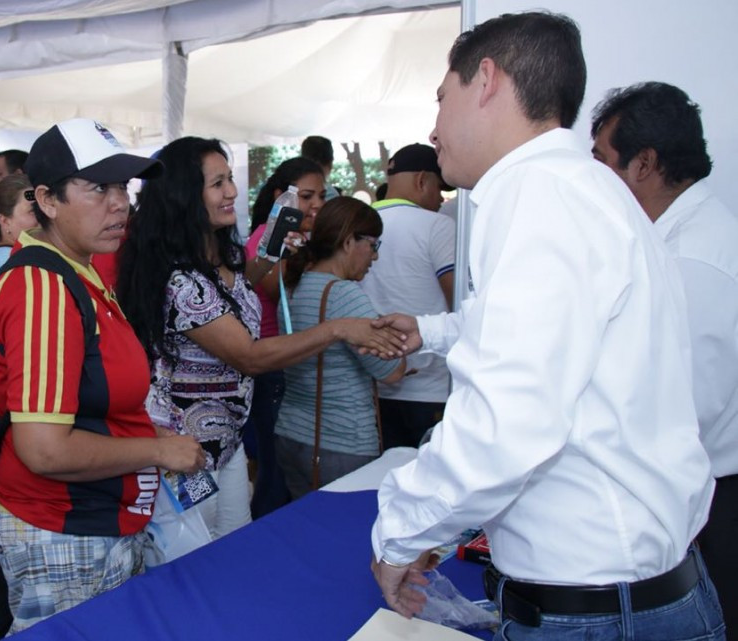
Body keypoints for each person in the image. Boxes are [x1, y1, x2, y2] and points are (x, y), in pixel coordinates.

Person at [370, 12, 724, 640]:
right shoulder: (581, 188)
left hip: (600, 610)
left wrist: (402, 531)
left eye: (440, 98)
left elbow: (508, 418)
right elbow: (526, 334)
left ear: (486, 80)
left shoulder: (541, 195)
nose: (433, 127)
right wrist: (434, 331)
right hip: (635, 591)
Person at [0, 118, 206, 633]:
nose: (119, 202)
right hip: (65, 528)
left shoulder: (77, 270)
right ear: (47, 199)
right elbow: (44, 449)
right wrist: (156, 449)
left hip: (94, 519)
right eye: (97, 187)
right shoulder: (44, 289)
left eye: (122, 186)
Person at [118, 136, 405, 538]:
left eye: (229, 180)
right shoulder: (180, 280)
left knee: (233, 549)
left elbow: (233, 296)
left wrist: (269, 252)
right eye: (217, 183)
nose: (232, 191)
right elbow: (248, 355)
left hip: (228, 445)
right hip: (186, 453)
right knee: (194, 564)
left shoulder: (212, 260)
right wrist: (337, 328)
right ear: (184, 195)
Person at [591, 81, 738, 640]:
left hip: (707, 504)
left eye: (600, 159)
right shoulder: (663, 242)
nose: (591, 175)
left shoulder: (694, 260)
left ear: (643, 164)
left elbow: (682, 411)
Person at [274, 197, 405, 497]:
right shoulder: (346, 295)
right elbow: (392, 372)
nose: (374, 257)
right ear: (348, 242)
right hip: (342, 439)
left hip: (292, 433)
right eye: (373, 245)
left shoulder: (294, 285)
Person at [240, 156, 325, 518]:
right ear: (281, 198)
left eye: (321, 196)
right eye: (307, 196)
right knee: (273, 464)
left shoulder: (298, 238)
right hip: (267, 362)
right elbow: (277, 290)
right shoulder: (267, 238)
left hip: (285, 359)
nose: (316, 205)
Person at [361, 143, 455, 449]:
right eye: (440, 188)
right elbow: (458, 302)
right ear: (422, 181)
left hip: (370, 385)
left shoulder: (353, 225)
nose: (441, 199)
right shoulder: (438, 226)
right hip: (428, 389)